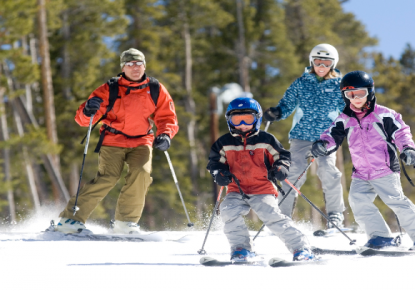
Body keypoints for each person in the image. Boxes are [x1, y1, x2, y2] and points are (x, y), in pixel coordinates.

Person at [311, 70, 415, 250]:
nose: (356, 98)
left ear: (370, 92)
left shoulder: (384, 114)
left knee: (396, 201)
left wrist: (407, 149)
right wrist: (322, 144)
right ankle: (380, 236)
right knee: (358, 201)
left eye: (360, 93)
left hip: (385, 169)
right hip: (361, 173)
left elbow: (401, 132)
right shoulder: (344, 119)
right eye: (350, 94)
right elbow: (331, 136)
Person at [53, 48, 179, 234]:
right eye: (130, 64)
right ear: (123, 67)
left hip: (142, 140)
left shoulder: (155, 88)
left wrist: (166, 134)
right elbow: (82, 120)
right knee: (107, 178)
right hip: (113, 139)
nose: (135, 68)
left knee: (142, 174)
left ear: (144, 66)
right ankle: (70, 220)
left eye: (138, 64)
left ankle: (126, 222)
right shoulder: (109, 88)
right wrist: (88, 110)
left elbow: (167, 116)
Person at [207, 97, 315, 261]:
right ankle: (241, 249)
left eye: (248, 119)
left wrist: (281, 168)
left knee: (272, 216)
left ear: (256, 119)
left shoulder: (266, 139)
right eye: (237, 119)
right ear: (229, 121)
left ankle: (301, 248)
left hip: (263, 188)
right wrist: (219, 173)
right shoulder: (223, 143)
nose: (242, 123)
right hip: (237, 189)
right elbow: (215, 163)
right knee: (228, 210)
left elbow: (282, 156)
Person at [263, 43, 346, 229]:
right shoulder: (302, 83)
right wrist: (277, 112)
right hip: (301, 136)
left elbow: (347, 113)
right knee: (293, 173)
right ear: (311, 62)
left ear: (333, 64)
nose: (321, 67)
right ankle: (281, 216)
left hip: (326, 139)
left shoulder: (339, 86)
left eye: (326, 63)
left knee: (329, 171)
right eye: (318, 62)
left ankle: (335, 215)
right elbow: (287, 104)